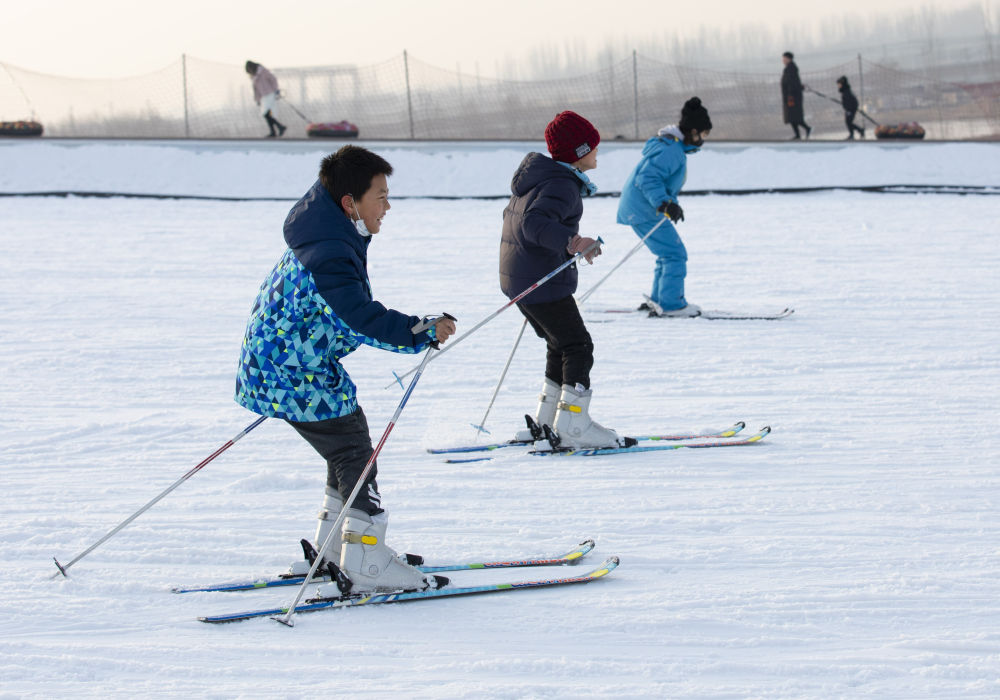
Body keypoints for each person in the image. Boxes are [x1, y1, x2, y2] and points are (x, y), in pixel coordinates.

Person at [234, 145, 457, 594]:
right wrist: (418, 332)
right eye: (381, 196)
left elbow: (347, 315)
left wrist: (416, 328)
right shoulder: (330, 251)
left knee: (347, 445)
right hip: (294, 371)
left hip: (295, 365)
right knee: (354, 451)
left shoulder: (328, 234)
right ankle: (363, 559)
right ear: (349, 203)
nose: (388, 206)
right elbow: (358, 316)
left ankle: (337, 544)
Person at [500, 110, 627, 450]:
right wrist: (575, 242)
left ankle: (548, 421)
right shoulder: (560, 185)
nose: (598, 152)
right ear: (579, 151)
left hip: (522, 279)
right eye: (593, 146)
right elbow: (534, 225)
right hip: (540, 282)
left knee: (560, 344)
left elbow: (530, 221)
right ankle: (573, 425)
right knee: (578, 346)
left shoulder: (543, 179)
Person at [616, 97, 712, 318]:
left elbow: (658, 180)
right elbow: (647, 179)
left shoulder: (672, 146)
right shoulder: (672, 151)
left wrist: (671, 205)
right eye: (704, 135)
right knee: (675, 254)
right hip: (644, 209)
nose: (704, 140)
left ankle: (660, 300)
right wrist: (665, 203)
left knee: (667, 253)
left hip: (641, 207)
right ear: (694, 131)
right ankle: (671, 305)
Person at [245, 60, 287, 138]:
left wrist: (276, 90)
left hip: (270, 93)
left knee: (266, 113)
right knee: (268, 114)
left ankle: (276, 129)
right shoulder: (254, 77)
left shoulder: (262, 71)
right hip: (263, 97)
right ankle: (277, 128)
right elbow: (256, 90)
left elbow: (273, 79)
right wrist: (257, 100)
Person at [781, 52, 811, 140]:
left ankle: (806, 129)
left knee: (794, 116)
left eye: (784, 58)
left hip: (792, 97)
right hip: (790, 96)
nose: (783, 60)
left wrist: (790, 95)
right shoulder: (789, 68)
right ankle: (799, 134)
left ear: (789, 59)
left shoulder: (791, 68)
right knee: (792, 117)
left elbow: (792, 83)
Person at [837, 76, 865, 140]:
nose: (838, 86)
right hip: (849, 109)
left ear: (842, 84)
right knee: (848, 122)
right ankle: (858, 131)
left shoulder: (846, 92)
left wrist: (849, 110)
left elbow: (850, 101)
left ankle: (857, 132)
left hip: (850, 109)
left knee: (848, 122)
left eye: (839, 84)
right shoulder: (845, 91)